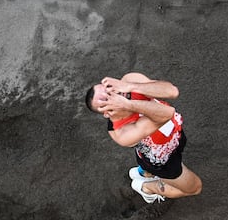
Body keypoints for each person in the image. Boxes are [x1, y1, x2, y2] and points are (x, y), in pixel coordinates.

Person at [85, 72, 202, 203]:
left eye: (108, 89)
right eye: (107, 99)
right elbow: (167, 113)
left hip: (175, 136)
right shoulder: (122, 133)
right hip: (164, 162)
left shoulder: (129, 82)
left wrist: (130, 86)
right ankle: (146, 187)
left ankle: (143, 172)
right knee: (195, 188)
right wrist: (128, 104)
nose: (113, 94)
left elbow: (172, 91)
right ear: (106, 113)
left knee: (178, 145)